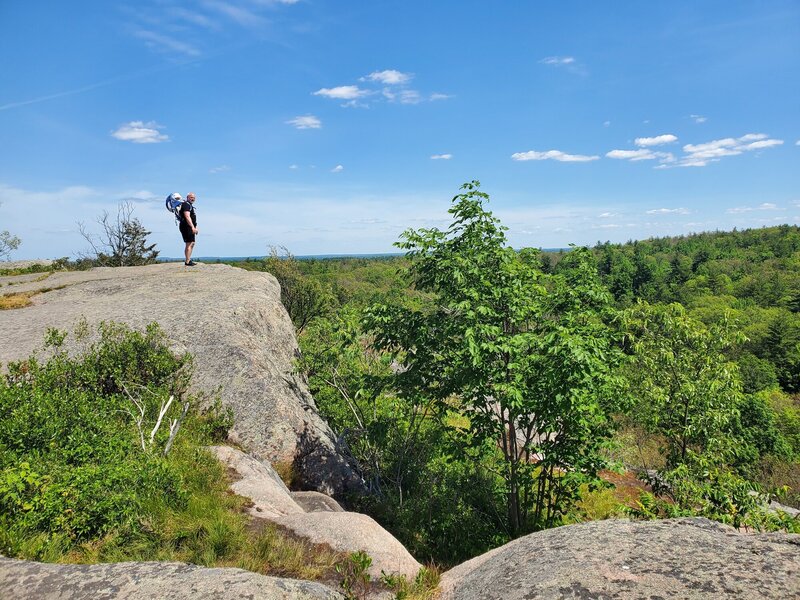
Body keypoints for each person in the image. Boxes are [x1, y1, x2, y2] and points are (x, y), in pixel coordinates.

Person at [179, 192, 198, 266]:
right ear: (187, 197)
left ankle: (188, 260)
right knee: (189, 243)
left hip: (189, 227)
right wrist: (192, 227)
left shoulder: (189, 205)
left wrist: (195, 226)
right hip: (186, 227)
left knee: (191, 243)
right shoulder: (186, 204)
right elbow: (187, 216)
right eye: (191, 197)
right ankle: (187, 261)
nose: (193, 199)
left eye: (194, 197)